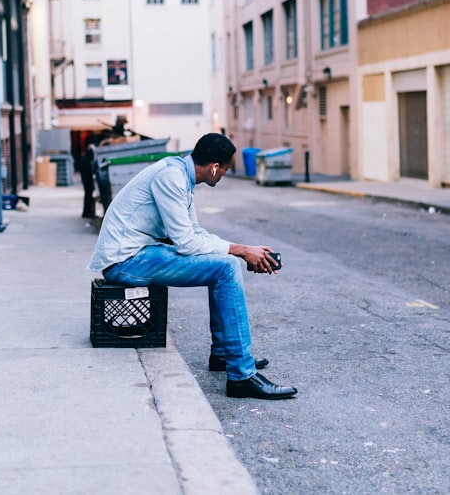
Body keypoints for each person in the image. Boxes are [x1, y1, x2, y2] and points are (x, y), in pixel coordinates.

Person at [88, 133, 297, 400]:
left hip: (138, 253)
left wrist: (243, 250)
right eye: (225, 169)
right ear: (213, 166)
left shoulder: (180, 177)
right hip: (126, 260)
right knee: (225, 268)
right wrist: (242, 251)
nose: (223, 175)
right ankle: (241, 375)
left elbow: (195, 233)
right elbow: (186, 243)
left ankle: (224, 355)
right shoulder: (171, 177)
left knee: (225, 263)